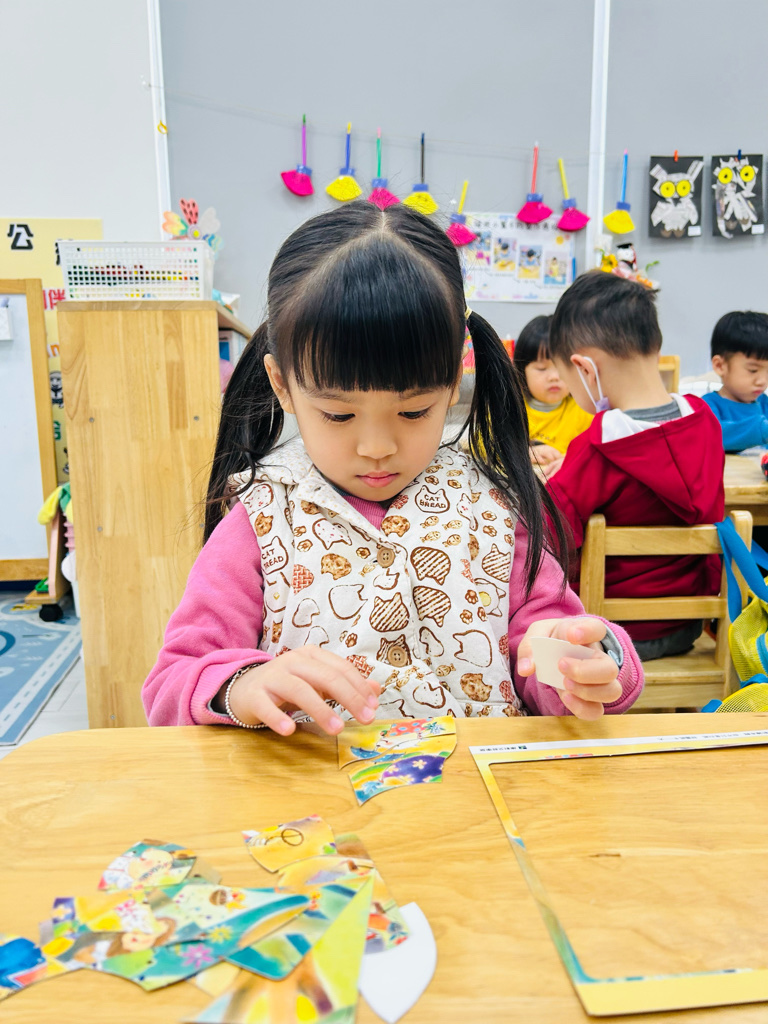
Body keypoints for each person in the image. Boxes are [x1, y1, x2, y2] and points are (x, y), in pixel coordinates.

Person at [142, 204, 643, 732]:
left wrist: (586, 663)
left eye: (413, 411)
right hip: (314, 785)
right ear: (283, 385)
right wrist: (241, 686)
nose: (377, 448)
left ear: (453, 381)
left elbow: (552, 644)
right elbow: (173, 683)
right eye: (338, 415)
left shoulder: (493, 509)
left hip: (475, 782)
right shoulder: (262, 518)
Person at [545, 272, 725, 662]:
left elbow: (551, 532)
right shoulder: (708, 424)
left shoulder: (597, 447)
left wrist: (559, 476)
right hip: (688, 626)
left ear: (585, 369)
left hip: (612, 637)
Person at [512, 314, 592, 478]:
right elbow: (484, 443)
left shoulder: (584, 410)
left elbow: (596, 451)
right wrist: (524, 451)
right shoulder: (511, 408)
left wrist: (573, 459)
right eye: (542, 369)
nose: (555, 377)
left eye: (562, 368)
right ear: (521, 371)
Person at [701, 311, 768, 452]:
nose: (762, 381)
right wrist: (761, 429)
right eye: (753, 370)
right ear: (720, 366)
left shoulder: (764, 403)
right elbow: (711, 436)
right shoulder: (707, 407)